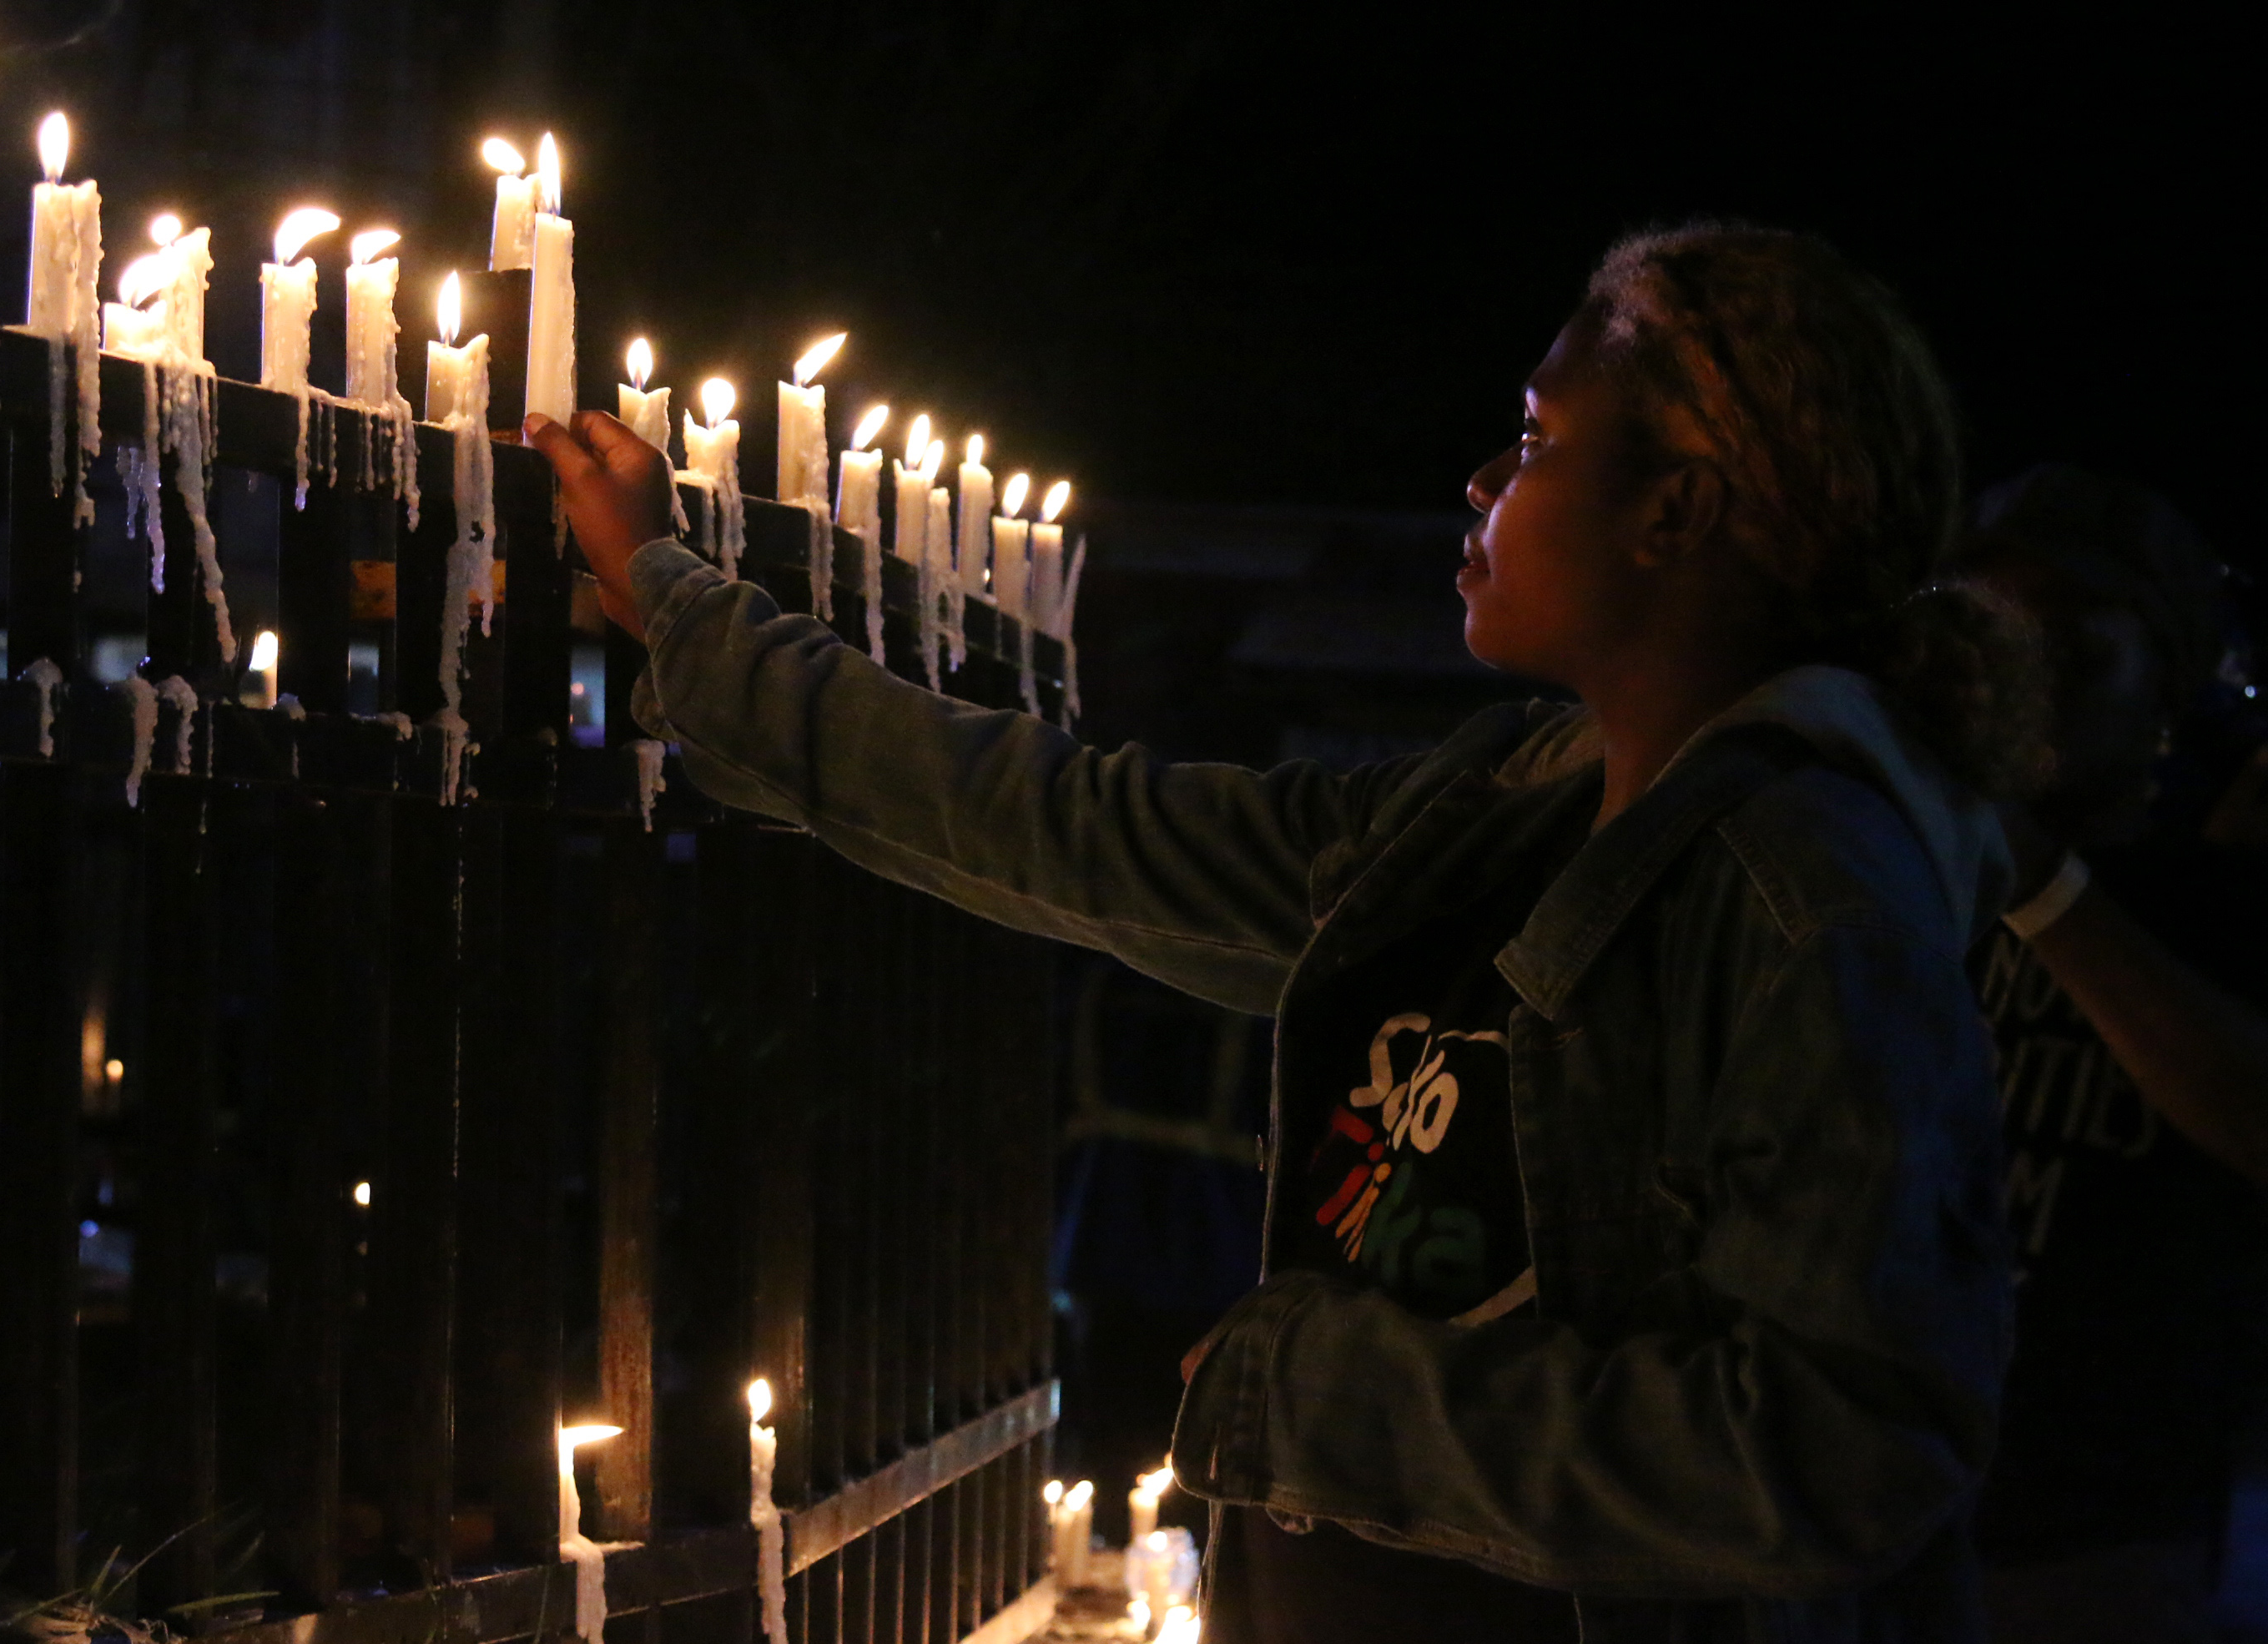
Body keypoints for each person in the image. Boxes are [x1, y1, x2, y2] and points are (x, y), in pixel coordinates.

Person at [527, 222, 2039, 1641]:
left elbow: (1849, 1445)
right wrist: (693, 621)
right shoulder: (1500, 812)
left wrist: (1317, 1393)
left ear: (1679, 508)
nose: (1477, 481)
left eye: (1534, 439)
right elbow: (1080, 828)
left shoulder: (1808, 898)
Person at [1952, 467, 2268, 1642]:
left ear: (2169, 682)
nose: (2026, 684)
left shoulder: (2227, 892)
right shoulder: (1887, 848)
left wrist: (2050, 887)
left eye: (2079, 649)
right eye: (1991, 636)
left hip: (2092, 1542)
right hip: (1842, 1510)